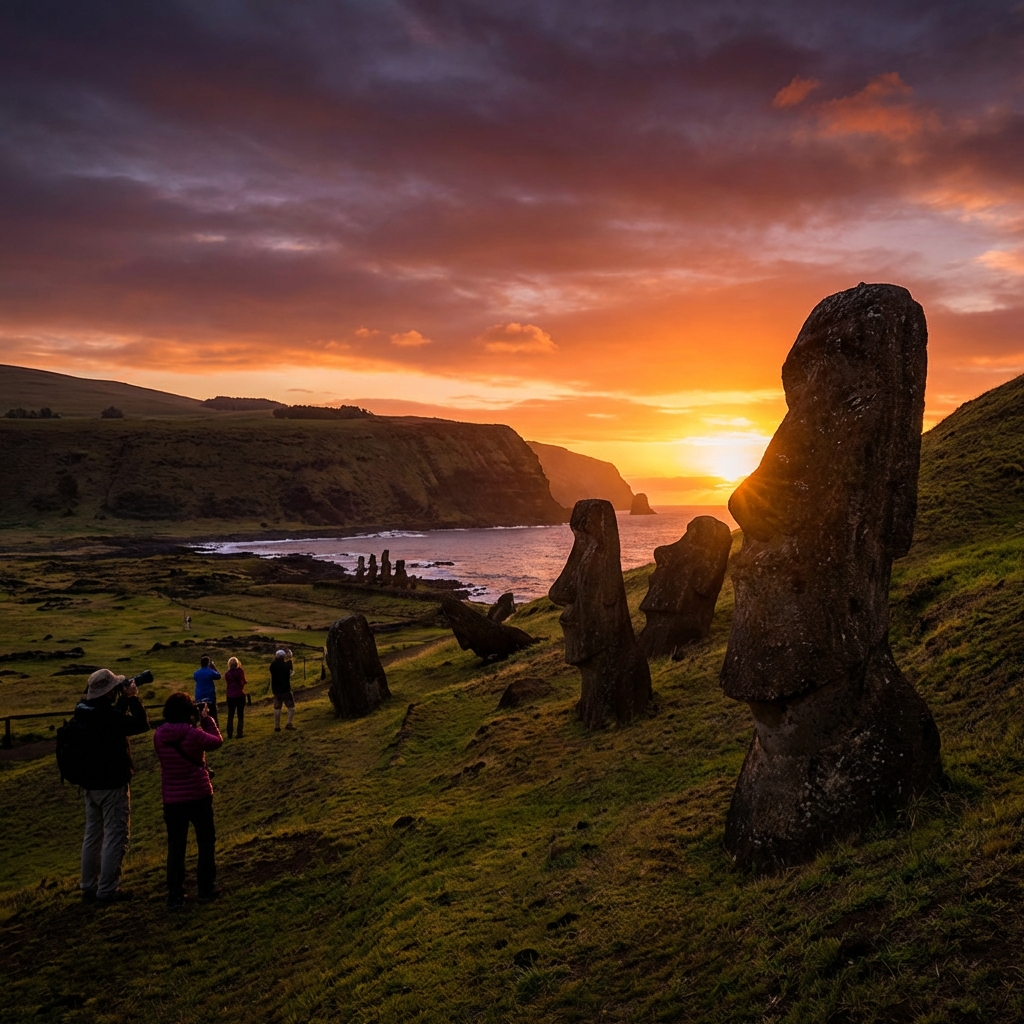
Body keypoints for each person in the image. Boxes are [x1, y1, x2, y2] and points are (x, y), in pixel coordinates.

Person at [75, 668, 150, 904]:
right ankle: (107, 890)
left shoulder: (83, 711)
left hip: (90, 783)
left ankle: (89, 885)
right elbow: (140, 724)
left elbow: (110, 719)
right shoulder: (108, 716)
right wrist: (133, 698)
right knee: (115, 835)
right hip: (112, 782)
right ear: (109, 693)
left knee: (93, 834)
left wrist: (121, 701)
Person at [153, 691, 223, 909]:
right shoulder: (193, 735)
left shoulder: (159, 735)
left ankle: (175, 895)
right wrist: (206, 719)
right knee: (205, 841)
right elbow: (216, 742)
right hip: (199, 795)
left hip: (172, 800)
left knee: (176, 847)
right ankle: (205, 889)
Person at [270, 648, 295, 731]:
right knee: (291, 707)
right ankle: (289, 723)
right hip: (286, 689)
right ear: (284, 656)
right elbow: (290, 674)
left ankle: (277, 726)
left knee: (277, 708)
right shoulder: (286, 666)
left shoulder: (272, 665)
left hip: (276, 690)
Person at [224, 656, 247, 739]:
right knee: (240, 715)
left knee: (230, 714)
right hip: (239, 695)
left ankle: (229, 733)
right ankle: (239, 733)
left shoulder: (227, 674)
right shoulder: (240, 671)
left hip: (230, 695)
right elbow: (242, 682)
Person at [192, 655, 221, 722]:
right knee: (213, 717)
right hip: (209, 697)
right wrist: (213, 667)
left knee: (202, 718)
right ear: (208, 663)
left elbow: (196, 679)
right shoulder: (210, 671)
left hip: (199, 698)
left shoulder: (196, 673)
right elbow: (218, 676)